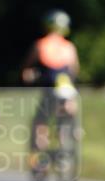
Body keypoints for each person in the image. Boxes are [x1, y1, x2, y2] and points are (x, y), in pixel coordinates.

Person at [21, 10, 80, 153]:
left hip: (50, 90)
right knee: (64, 119)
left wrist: (31, 78)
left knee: (40, 122)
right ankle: (66, 145)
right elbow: (75, 70)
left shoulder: (40, 45)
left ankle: (41, 158)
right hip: (68, 92)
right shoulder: (69, 47)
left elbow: (26, 71)